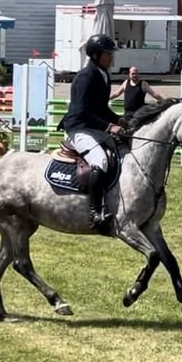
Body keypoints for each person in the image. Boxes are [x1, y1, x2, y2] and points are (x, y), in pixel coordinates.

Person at [58, 33, 124, 234]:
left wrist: (119, 120)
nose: (111, 58)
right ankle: (94, 212)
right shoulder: (85, 77)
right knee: (100, 161)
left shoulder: (103, 74)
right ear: (95, 55)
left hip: (92, 127)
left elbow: (101, 108)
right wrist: (108, 127)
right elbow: (83, 110)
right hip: (77, 128)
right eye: (107, 54)